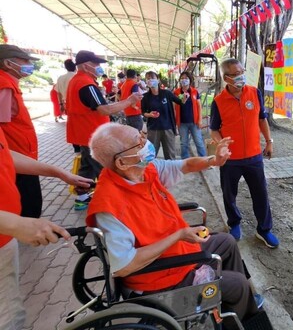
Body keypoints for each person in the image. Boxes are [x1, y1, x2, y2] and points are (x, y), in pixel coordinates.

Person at [86, 123, 261, 326]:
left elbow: (185, 165)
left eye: (142, 135)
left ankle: (234, 305)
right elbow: (124, 266)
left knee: (227, 241)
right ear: (122, 162)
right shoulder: (109, 206)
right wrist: (178, 236)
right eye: (138, 142)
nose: (146, 142)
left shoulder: (144, 170)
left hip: (175, 254)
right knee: (238, 284)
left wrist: (214, 160)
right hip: (157, 280)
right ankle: (236, 310)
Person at [0, 125, 92, 330]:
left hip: (4, 238)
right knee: (8, 318)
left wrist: (57, 172)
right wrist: (17, 224)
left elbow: (4, 153)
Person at [209, 58, 279, 248]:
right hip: (230, 158)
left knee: (261, 194)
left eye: (242, 71)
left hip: (254, 157)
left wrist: (269, 141)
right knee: (229, 194)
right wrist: (220, 143)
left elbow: (262, 119)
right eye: (236, 73)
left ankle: (264, 230)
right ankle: (234, 223)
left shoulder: (255, 93)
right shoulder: (218, 101)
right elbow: (214, 129)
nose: (241, 76)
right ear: (226, 78)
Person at [66, 50, 143, 210]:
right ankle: (115, 201)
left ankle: (82, 198)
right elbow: (104, 109)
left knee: (87, 166)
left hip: (84, 134)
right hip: (94, 136)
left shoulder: (77, 81)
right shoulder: (85, 83)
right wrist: (129, 101)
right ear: (86, 66)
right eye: (96, 64)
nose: (99, 67)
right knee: (106, 169)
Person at [0, 44, 45, 218]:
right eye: (24, 61)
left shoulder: (8, 83)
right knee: (28, 200)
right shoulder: (4, 84)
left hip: (21, 152)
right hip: (17, 154)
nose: (28, 64)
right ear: (8, 64)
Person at [141, 71, 182, 159]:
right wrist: (150, 114)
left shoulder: (166, 93)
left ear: (158, 80)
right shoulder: (145, 97)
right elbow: (143, 112)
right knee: (150, 154)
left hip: (168, 128)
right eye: (148, 78)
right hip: (153, 129)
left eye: (152, 78)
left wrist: (184, 97)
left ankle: (170, 171)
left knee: (170, 155)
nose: (150, 80)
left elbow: (179, 101)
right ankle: (151, 171)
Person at [174, 71, 207, 159]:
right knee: (184, 142)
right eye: (182, 78)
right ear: (180, 80)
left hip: (194, 122)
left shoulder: (195, 92)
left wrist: (200, 120)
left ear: (190, 80)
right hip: (182, 123)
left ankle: (204, 160)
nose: (184, 80)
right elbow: (174, 107)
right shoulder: (176, 92)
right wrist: (175, 122)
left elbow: (199, 107)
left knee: (198, 141)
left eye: (186, 78)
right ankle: (185, 160)